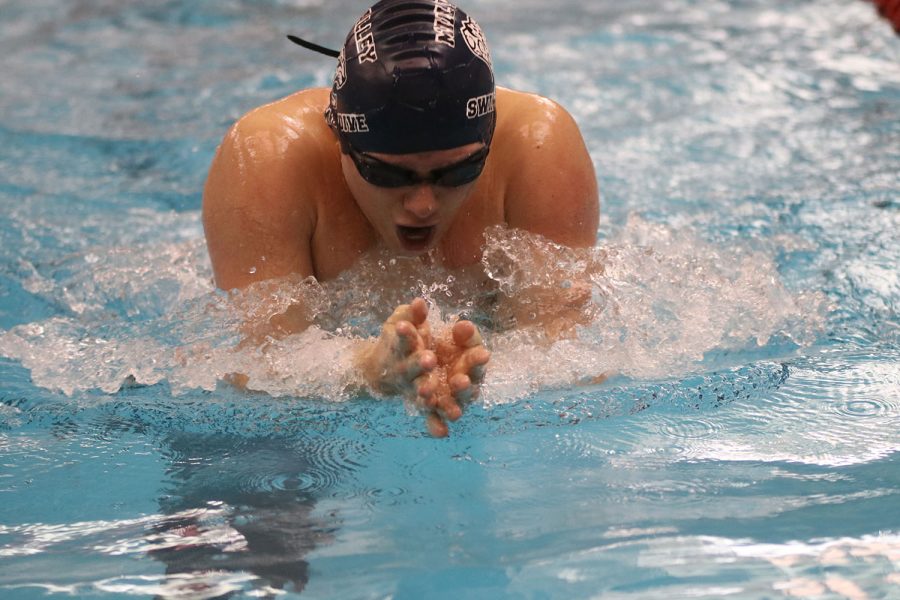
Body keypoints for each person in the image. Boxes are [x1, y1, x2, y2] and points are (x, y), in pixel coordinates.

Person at [202, 0, 599, 436]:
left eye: (458, 171)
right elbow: (256, 364)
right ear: (340, 138)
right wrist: (367, 369)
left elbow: (564, 353)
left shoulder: (537, 147)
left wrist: (475, 371)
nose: (424, 204)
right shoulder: (269, 157)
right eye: (389, 173)